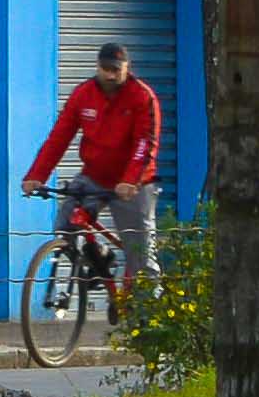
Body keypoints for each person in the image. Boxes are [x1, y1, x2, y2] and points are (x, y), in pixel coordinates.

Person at [29, 40, 166, 268]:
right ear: (97, 66)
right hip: (94, 176)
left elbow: (145, 144)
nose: (110, 75)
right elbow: (59, 138)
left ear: (127, 68)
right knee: (66, 224)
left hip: (134, 184)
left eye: (116, 70)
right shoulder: (83, 94)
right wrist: (36, 176)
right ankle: (94, 261)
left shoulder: (142, 97)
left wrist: (130, 181)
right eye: (105, 69)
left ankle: (144, 302)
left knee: (141, 257)